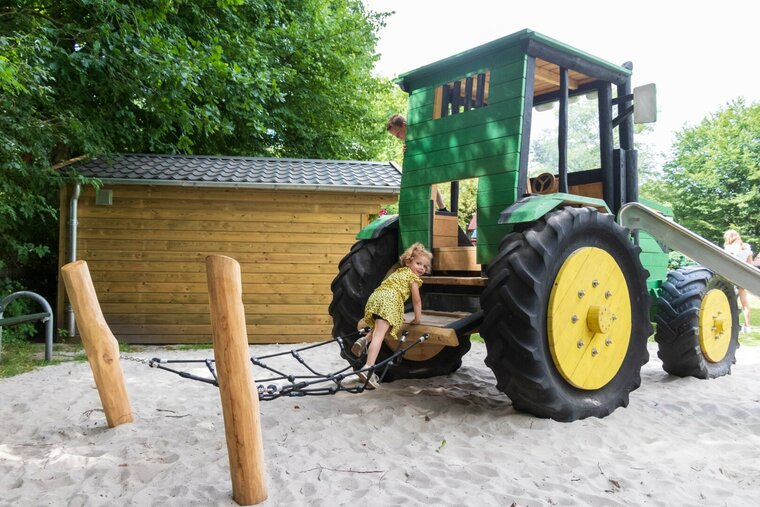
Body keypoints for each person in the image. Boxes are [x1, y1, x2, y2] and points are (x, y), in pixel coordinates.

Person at [351, 242, 433, 388]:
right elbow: (417, 301)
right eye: (418, 263)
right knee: (380, 336)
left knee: (381, 327)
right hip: (389, 300)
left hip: (377, 296)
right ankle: (368, 367)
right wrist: (417, 319)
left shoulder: (399, 272)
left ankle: (364, 340)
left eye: (425, 266)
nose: (421, 268)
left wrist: (398, 314)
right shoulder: (413, 279)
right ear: (409, 262)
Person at [387, 114, 447, 211]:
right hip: (423, 166)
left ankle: (441, 206)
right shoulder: (409, 140)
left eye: (398, 133)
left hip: (435, 156)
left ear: (404, 125)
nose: (397, 137)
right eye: (395, 136)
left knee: (427, 177)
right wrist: (407, 151)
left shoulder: (419, 130)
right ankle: (441, 207)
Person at [723, 229, 753, 333]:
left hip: (730, 275)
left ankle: (728, 324)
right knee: (744, 302)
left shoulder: (728, 248)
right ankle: (747, 326)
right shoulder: (747, 247)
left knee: (726, 300)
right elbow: (750, 264)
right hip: (743, 276)